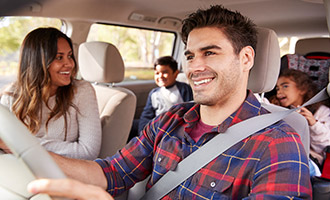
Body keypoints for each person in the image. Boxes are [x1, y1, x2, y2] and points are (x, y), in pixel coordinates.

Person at [27, 5, 312, 199]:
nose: (195, 67)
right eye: (190, 56)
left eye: (210, 53)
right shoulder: (170, 120)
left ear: (246, 58)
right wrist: (25, 151)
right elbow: (111, 172)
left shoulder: (278, 144)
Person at [0, 27, 102, 160]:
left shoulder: (81, 91)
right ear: (37, 62)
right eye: (59, 57)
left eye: (70, 56)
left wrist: (21, 145)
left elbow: (88, 151)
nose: (69, 64)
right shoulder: (12, 96)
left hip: (63, 175)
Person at [272, 68, 330, 166]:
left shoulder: (321, 111)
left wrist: (313, 123)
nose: (279, 92)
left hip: (310, 159)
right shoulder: (279, 110)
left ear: (302, 89)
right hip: (283, 153)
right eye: (277, 88)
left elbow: (325, 145)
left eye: (285, 86)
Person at [138, 55, 193, 133]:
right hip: (158, 128)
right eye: (157, 73)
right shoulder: (154, 93)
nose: (160, 76)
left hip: (177, 127)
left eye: (165, 72)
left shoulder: (184, 89)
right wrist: (142, 132)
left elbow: (190, 111)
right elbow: (146, 115)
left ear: (176, 73)